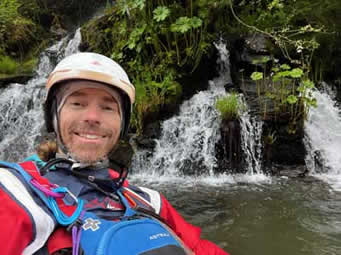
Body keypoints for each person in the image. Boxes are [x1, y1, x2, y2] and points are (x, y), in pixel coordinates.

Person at [0, 52, 229, 255]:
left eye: (108, 107)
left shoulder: (149, 201)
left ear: (122, 124)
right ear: (53, 117)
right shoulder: (14, 193)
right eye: (77, 103)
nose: (92, 117)